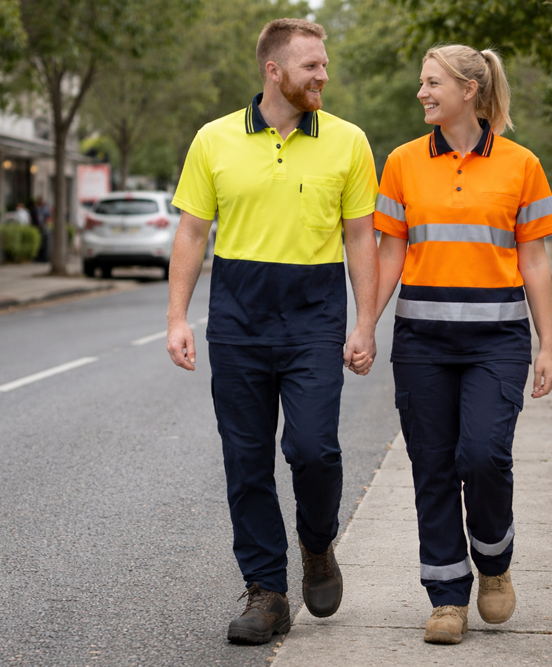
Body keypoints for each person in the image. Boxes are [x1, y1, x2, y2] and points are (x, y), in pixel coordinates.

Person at [166, 18, 379, 646]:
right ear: (273, 70)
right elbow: (192, 232)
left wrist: (366, 323)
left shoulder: (348, 141)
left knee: (314, 450)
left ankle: (317, 544)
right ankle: (266, 592)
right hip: (238, 324)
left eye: (324, 64)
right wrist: (177, 317)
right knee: (247, 460)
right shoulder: (213, 139)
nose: (323, 75)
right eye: (311, 65)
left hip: (314, 321)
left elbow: (360, 237)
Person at [372, 45, 552, 645]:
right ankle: (447, 599)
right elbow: (390, 253)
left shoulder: (521, 164)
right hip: (421, 342)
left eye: (432, 83)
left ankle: (495, 560)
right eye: (422, 82)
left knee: (483, 457)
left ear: (469, 90)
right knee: (432, 468)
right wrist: (363, 325)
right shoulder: (402, 162)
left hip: (496, 341)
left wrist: (548, 345)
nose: (422, 93)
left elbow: (534, 259)